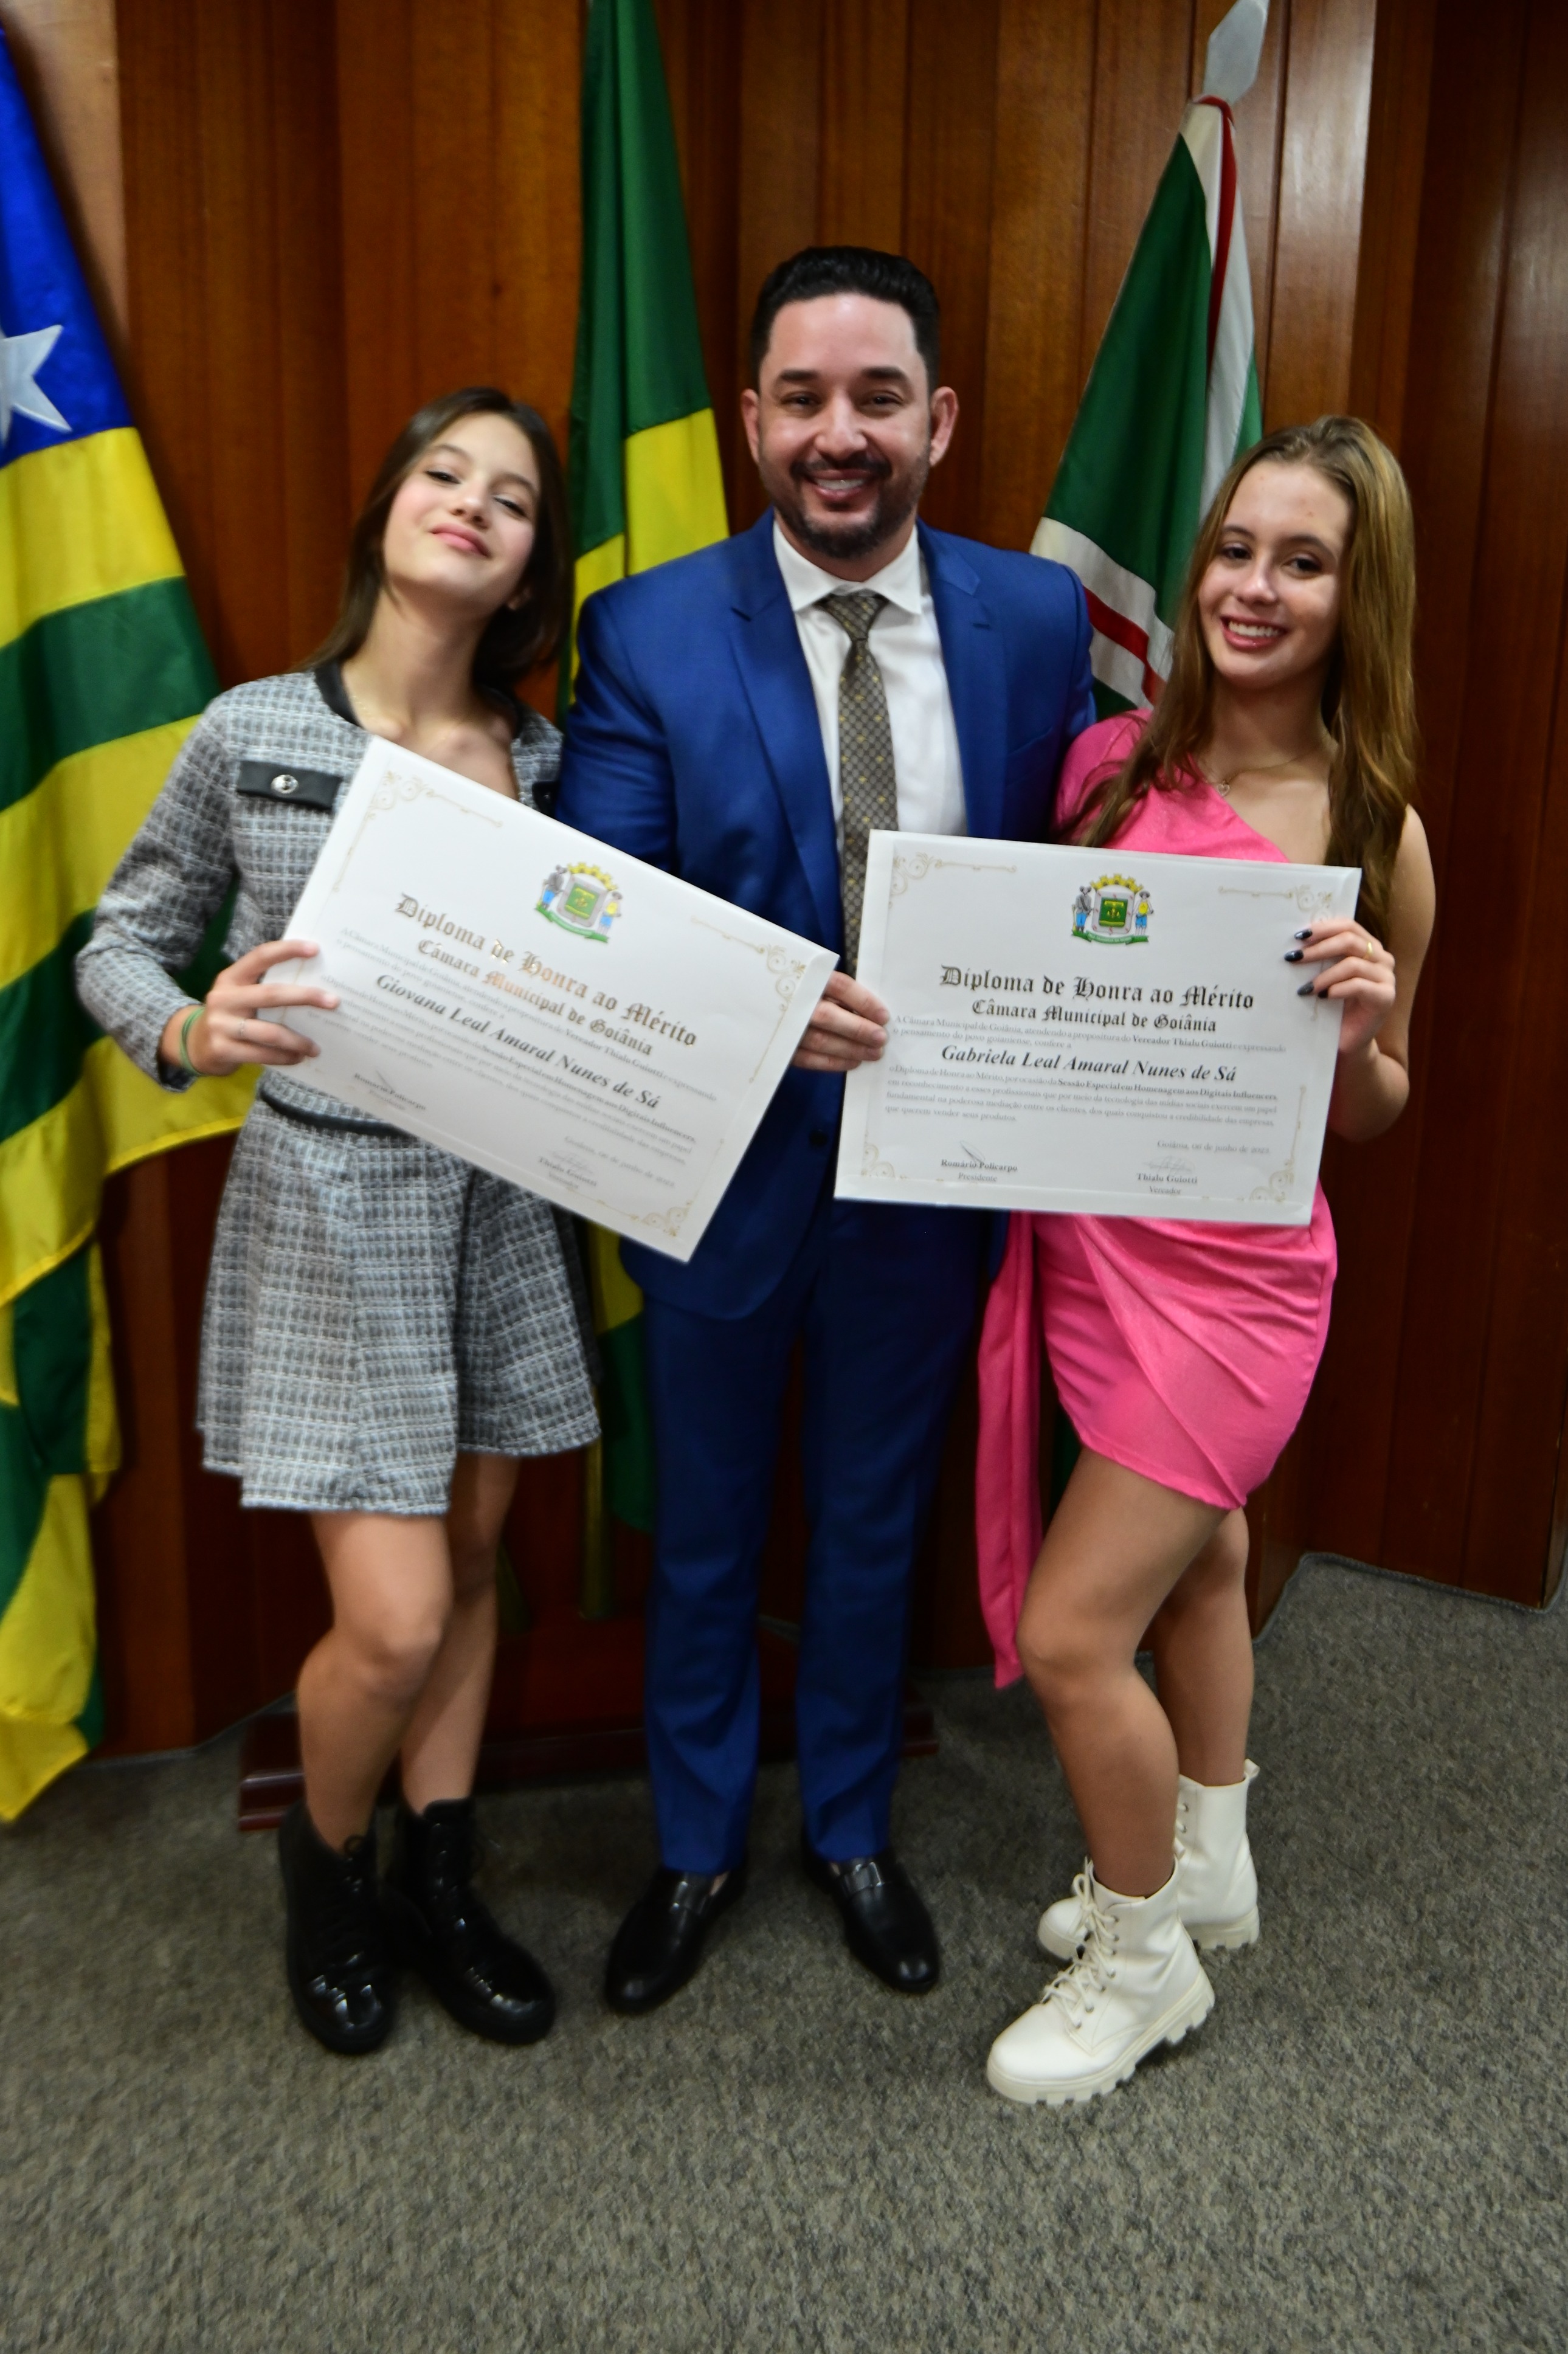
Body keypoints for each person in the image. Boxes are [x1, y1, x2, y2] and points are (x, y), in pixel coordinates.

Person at [558, 246, 1094, 2014]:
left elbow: (1100, 863)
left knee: (873, 1524)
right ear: (751, 421)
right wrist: (765, 1006)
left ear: (940, 420)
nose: (837, 435)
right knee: (708, 1533)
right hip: (715, 1176)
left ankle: (853, 1826)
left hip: (935, 1179)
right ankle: (696, 1844)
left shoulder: (1036, 620)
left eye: (877, 398)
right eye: (802, 399)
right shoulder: (646, 629)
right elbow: (610, 905)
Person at [75, 389, 600, 2056]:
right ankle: (326, 1864)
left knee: (471, 1563)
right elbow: (118, 938)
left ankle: (442, 1880)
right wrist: (185, 1026)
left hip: (498, 1199)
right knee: (390, 1618)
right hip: (326, 1205)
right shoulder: (251, 729)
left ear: (529, 569)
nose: (472, 504)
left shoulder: (548, 759)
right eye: (444, 473)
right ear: (385, 509)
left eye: (511, 498)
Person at [977, 415, 1436, 2106]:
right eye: (1236, 548)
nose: (1253, 586)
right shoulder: (1106, 767)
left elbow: (1375, 1115)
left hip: (1235, 1288)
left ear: (1355, 594)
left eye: (1301, 561)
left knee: (1071, 1633)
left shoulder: (1376, 825)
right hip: (1092, 1248)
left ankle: (1142, 1958)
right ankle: (1211, 1867)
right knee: (1201, 1564)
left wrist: (1363, 1032)